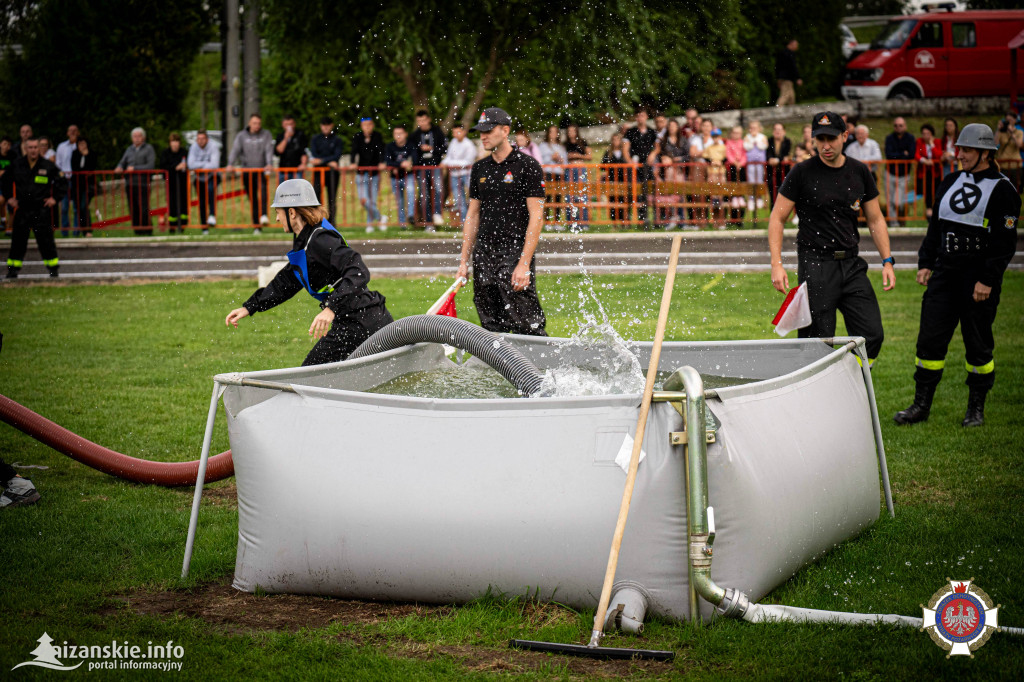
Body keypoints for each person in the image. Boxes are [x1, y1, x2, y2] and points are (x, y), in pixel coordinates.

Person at [894, 124, 1021, 428]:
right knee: (929, 341)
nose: (959, 154)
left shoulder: (1003, 189)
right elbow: (936, 228)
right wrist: (926, 262)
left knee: (978, 344)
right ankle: (921, 405)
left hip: (978, 279)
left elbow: (1005, 244)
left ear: (984, 153)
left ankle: (975, 409)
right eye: (960, 149)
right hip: (945, 274)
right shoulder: (950, 181)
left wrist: (988, 280)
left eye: (965, 150)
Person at [768, 111, 896, 366]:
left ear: (845, 136)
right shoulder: (802, 172)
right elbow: (777, 218)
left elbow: (875, 219)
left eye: (832, 139)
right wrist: (776, 264)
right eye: (820, 139)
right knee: (818, 342)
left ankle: (850, 380)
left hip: (851, 264)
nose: (825, 145)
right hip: (815, 264)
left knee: (872, 335)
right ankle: (815, 398)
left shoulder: (860, 172)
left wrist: (887, 261)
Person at [225, 179, 394, 366]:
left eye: (278, 213)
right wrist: (250, 307)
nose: (276, 219)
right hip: (353, 320)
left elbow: (358, 272)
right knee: (323, 379)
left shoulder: (320, 239)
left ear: (291, 212)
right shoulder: (305, 242)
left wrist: (331, 308)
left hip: (363, 321)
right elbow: (285, 282)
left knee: (310, 376)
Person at [455, 107, 547, 335]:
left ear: (505, 130)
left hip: (514, 249)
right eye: (480, 132)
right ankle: (497, 370)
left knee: (526, 321)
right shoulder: (479, 168)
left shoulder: (527, 166)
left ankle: (540, 368)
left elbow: (537, 216)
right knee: (491, 324)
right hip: (484, 251)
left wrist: (524, 263)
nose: (483, 136)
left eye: (488, 130)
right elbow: (473, 215)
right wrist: (463, 261)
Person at [3, 138, 66, 278]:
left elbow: (62, 182)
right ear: (25, 148)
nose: (33, 150)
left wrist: (54, 199)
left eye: (35, 147)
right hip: (22, 208)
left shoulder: (48, 165)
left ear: (40, 148)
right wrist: (9, 198)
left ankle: (53, 269)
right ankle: (12, 269)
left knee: (46, 241)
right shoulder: (17, 164)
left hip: (41, 209)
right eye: (30, 147)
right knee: (18, 241)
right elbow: (4, 181)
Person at [227, 113, 274, 233]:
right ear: (249, 123)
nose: (257, 125)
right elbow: (235, 150)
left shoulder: (266, 134)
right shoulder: (241, 136)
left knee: (263, 192)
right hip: (247, 171)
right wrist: (230, 164)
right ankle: (256, 225)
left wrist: (269, 163)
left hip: (261, 170)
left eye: (258, 123)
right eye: (254, 123)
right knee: (253, 198)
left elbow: (269, 150)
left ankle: (263, 214)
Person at [114, 127, 156, 235]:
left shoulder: (149, 149)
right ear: (132, 138)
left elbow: (150, 166)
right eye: (135, 136)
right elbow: (122, 162)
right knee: (133, 207)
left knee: (144, 207)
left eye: (139, 136)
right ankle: (137, 230)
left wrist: (135, 168)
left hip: (143, 183)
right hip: (130, 183)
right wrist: (119, 167)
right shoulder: (129, 149)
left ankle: (147, 229)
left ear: (143, 137)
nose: (137, 138)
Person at [410, 110, 447, 227]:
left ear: (428, 119)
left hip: (435, 166)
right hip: (421, 168)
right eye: (419, 121)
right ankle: (428, 221)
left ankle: (437, 214)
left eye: (424, 120)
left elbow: (444, 148)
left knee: (438, 190)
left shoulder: (437, 132)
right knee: (424, 194)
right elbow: (412, 151)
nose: (422, 123)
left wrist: (432, 149)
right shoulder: (415, 135)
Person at [351, 117, 385, 233]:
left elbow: (381, 150)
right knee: (364, 200)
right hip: (361, 173)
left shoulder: (377, 136)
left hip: (374, 173)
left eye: (369, 125)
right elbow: (354, 151)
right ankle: (380, 217)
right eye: (365, 125)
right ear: (361, 126)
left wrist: (381, 163)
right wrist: (352, 163)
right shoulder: (358, 137)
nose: (367, 127)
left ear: (373, 125)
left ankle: (370, 223)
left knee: (373, 199)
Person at [623, 110, 658, 224]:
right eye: (638, 116)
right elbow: (625, 149)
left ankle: (653, 219)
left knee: (649, 191)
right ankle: (635, 219)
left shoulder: (652, 132)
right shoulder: (630, 132)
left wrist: (652, 154)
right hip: (635, 166)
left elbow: (657, 147)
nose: (640, 118)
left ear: (646, 117)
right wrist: (630, 162)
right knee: (634, 191)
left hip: (647, 166)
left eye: (642, 115)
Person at [308, 116, 344, 226]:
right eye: (324, 125)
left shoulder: (337, 140)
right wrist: (328, 161)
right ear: (321, 126)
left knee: (332, 198)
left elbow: (337, 156)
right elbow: (314, 156)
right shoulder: (315, 139)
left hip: (332, 173)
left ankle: (331, 222)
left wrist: (322, 160)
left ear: (331, 126)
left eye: (328, 125)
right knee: (317, 197)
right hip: (319, 172)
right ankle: (317, 220)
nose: (326, 127)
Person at [187, 129, 221, 234]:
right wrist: (205, 164)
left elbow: (214, 165)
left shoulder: (213, 146)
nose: (200, 141)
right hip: (199, 178)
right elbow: (190, 165)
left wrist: (199, 165)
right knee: (201, 202)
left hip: (212, 176)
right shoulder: (193, 147)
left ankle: (212, 215)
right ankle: (204, 228)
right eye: (198, 139)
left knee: (210, 190)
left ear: (207, 139)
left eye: (203, 139)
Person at [884, 117, 915, 227]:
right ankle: (893, 223)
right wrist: (903, 154)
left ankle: (902, 219)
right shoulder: (889, 138)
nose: (898, 127)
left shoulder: (910, 138)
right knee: (889, 200)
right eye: (896, 125)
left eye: (901, 125)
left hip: (904, 174)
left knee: (898, 201)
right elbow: (888, 155)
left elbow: (911, 155)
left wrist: (897, 155)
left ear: (905, 126)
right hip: (890, 173)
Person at [381, 124, 415, 226]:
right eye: (396, 134)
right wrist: (401, 164)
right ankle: (402, 223)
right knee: (399, 200)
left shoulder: (410, 145)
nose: (398, 136)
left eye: (400, 133)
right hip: (394, 177)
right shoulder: (390, 146)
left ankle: (411, 215)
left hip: (408, 175)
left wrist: (405, 164)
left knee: (410, 193)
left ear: (405, 134)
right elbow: (387, 162)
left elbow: (415, 159)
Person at [444, 123, 478, 223]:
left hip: (467, 174)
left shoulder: (469, 145)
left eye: (458, 132)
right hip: (455, 175)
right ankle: (464, 222)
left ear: (463, 132)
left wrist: (451, 164)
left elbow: (468, 161)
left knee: (473, 198)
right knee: (459, 199)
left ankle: (473, 220)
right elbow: (449, 157)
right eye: (454, 132)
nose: (456, 134)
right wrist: (446, 163)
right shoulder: (453, 142)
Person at [160, 133, 189, 233]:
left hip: (182, 182)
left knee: (183, 204)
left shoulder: (184, 152)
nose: (175, 144)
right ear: (170, 143)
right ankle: (172, 226)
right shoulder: (165, 153)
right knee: (172, 204)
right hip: (170, 183)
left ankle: (183, 225)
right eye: (173, 141)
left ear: (179, 143)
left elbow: (187, 164)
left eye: (177, 141)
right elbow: (164, 166)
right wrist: (176, 167)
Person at [563, 124, 591, 226]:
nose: (571, 133)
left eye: (573, 131)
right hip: (569, 170)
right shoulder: (565, 144)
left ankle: (584, 222)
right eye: (569, 131)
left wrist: (578, 155)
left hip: (580, 170)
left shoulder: (582, 142)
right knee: (570, 195)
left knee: (582, 195)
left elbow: (589, 156)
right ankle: (571, 222)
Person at [538, 125, 567, 222]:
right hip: (548, 173)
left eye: (555, 132)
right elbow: (540, 160)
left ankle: (557, 221)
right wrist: (551, 158)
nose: (553, 134)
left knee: (558, 197)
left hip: (558, 173)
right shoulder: (543, 146)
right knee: (548, 197)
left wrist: (560, 160)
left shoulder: (561, 147)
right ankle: (547, 221)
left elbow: (565, 162)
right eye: (551, 132)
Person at [601, 131, 631, 223]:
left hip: (623, 179)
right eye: (614, 140)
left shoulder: (624, 152)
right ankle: (614, 222)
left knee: (624, 200)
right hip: (612, 179)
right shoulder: (608, 153)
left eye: (617, 139)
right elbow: (602, 166)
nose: (616, 142)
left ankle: (625, 221)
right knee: (613, 201)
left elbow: (628, 164)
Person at [55, 124, 80, 236]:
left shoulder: (80, 145)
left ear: (78, 132)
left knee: (76, 207)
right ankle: (64, 232)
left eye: (75, 130)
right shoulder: (61, 146)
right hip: (64, 179)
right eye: (70, 130)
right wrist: (61, 176)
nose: (73, 132)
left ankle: (76, 231)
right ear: (67, 133)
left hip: (76, 180)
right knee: (64, 207)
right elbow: (58, 164)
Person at [70, 137, 97, 237]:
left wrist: (86, 156)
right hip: (76, 185)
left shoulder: (92, 154)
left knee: (83, 206)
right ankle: (83, 230)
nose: (82, 146)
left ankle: (88, 230)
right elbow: (75, 168)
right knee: (79, 208)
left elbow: (92, 168)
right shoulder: (75, 154)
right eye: (80, 144)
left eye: (83, 143)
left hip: (88, 186)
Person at [915, 124, 943, 220]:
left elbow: (938, 155)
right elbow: (917, 154)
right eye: (924, 133)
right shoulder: (919, 141)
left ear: (932, 134)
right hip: (925, 171)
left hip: (936, 171)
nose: (925, 135)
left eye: (928, 133)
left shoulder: (937, 142)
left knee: (937, 190)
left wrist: (932, 145)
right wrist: (925, 161)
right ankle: (929, 210)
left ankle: (937, 209)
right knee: (927, 191)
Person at [996, 110, 1024, 193]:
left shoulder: (1019, 132)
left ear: (1015, 120)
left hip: (1015, 165)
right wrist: (998, 130)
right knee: (1002, 189)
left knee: (1015, 188)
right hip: (1003, 164)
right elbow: (995, 144)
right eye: (1006, 120)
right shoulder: (1001, 132)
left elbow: (1019, 144)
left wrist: (1011, 132)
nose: (1008, 122)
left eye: (1010, 120)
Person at [274, 115, 308, 182]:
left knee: (297, 191)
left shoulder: (300, 135)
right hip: (283, 170)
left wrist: (303, 164)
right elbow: (278, 151)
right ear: (283, 125)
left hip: (297, 170)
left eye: (291, 124)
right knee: (284, 191)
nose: (289, 126)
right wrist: (286, 138)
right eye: (286, 124)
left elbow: (304, 151)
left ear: (294, 124)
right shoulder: (280, 136)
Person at [744, 120, 768, 210]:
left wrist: (757, 143)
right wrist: (752, 143)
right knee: (751, 179)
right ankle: (751, 199)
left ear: (759, 128)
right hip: (750, 162)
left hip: (760, 163)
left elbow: (764, 146)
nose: (753, 129)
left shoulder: (762, 137)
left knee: (759, 179)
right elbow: (746, 146)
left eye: (755, 128)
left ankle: (759, 198)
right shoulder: (747, 137)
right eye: (751, 128)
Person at [766, 123, 792, 205]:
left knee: (783, 195)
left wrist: (777, 160)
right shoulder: (769, 141)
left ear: (784, 131)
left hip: (783, 172)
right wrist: (770, 159)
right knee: (772, 195)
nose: (777, 131)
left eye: (779, 129)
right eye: (775, 129)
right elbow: (768, 153)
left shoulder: (787, 142)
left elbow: (785, 155)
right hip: (771, 172)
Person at [775, 39, 802, 106]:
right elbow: (793, 67)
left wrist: (778, 78)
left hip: (783, 78)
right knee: (785, 96)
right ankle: (777, 111)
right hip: (787, 78)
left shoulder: (782, 53)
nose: (797, 47)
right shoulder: (790, 54)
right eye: (796, 45)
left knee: (791, 97)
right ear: (791, 44)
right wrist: (798, 77)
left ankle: (791, 113)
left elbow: (777, 67)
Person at [0, 136, 15, 235]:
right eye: (5, 144)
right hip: (1, 184)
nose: (7, 147)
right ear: (0, 144)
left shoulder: (13, 155)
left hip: (10, 184)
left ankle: (9, 228)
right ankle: (3, 220)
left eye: (9, 145)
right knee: (1, 201)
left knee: (11, 207)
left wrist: (4, 172)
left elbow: (14, 170)